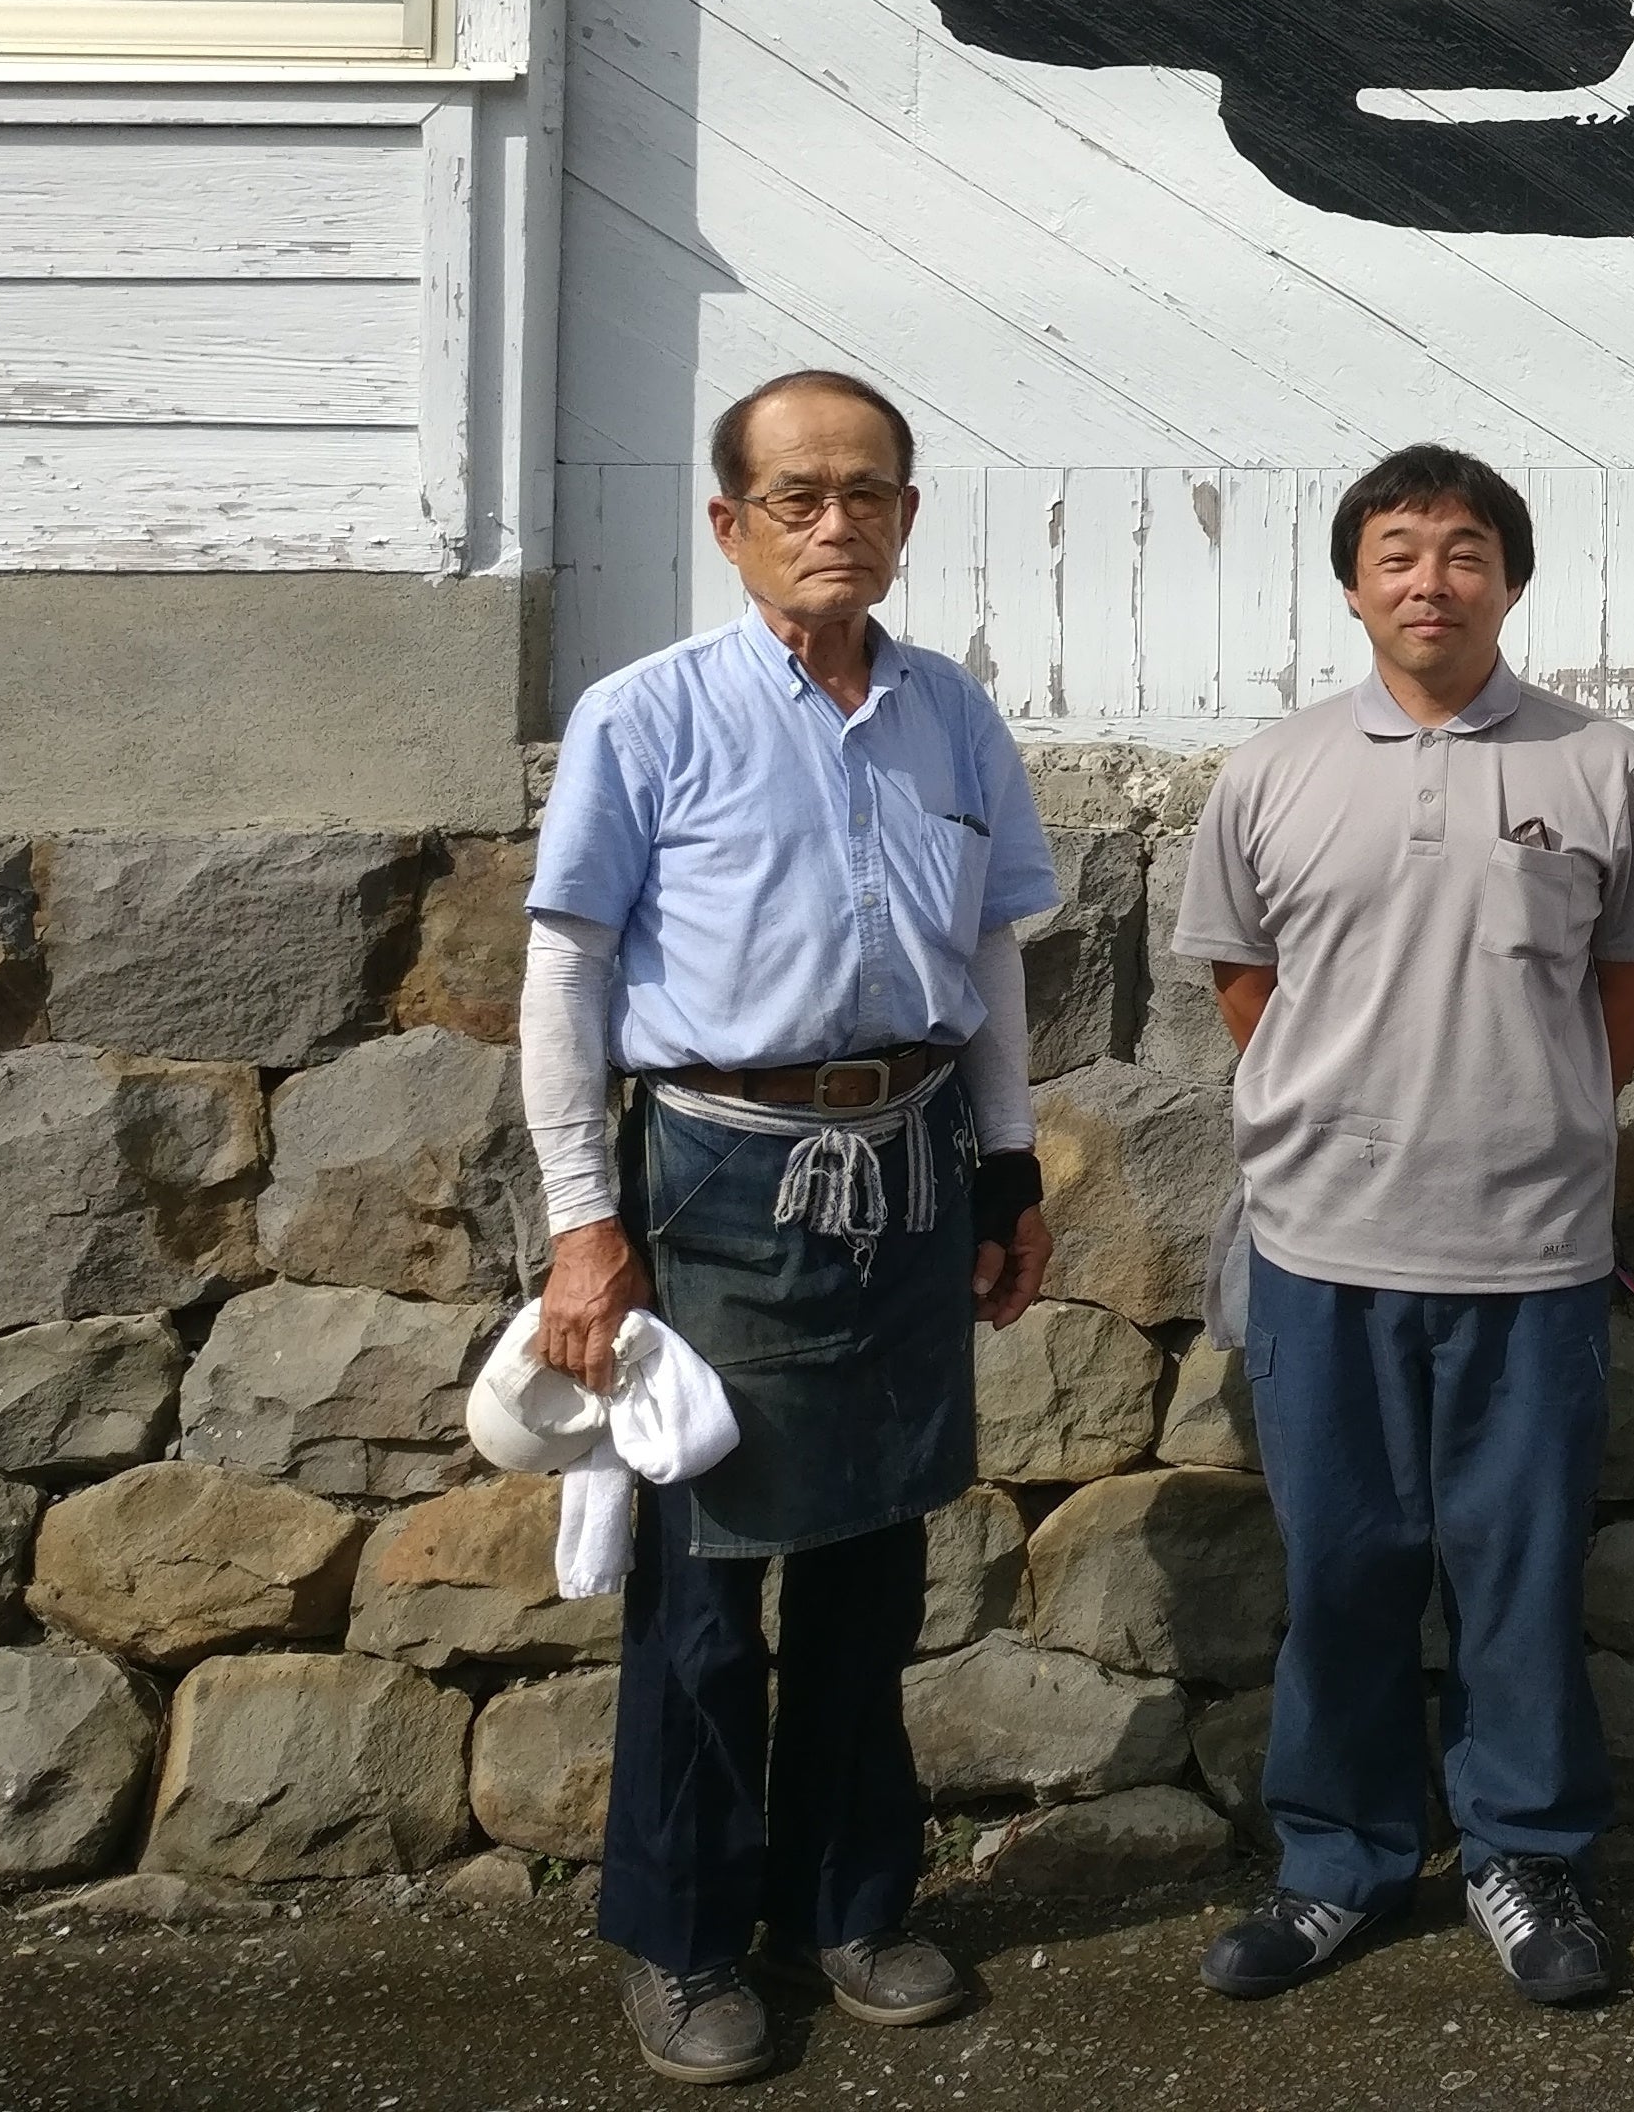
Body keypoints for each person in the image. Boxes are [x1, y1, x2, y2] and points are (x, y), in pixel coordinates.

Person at [521, 370, 1060, 2087]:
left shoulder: (952, 715)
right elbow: (567, 971)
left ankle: (852, 1903)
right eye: (799, 497)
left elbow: (989, 952)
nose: (837, 524)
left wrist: (1009, 1167)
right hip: (718, 1176)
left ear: (906, 516)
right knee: (702, 1586)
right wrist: (583, 1224)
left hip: (907, 1167)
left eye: (868, 494)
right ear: (730, 523)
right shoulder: (645, 714)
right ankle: (684, 1938)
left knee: (872, 1566)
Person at [1176, 445, 1634, 2015]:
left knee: (1518, 1571)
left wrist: (1536, 1110)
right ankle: (1338, 1860)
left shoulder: (1601, 764)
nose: (1431, 582)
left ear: (1510, 581)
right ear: (1352, 586)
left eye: (1465, 553)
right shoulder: (1272, 770)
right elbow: (1245, 981)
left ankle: (1527, 1853)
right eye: (1397, 553)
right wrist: (1345, 1106)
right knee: (1344, 1567)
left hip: (1532, 1248)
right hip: (1321, 1244)